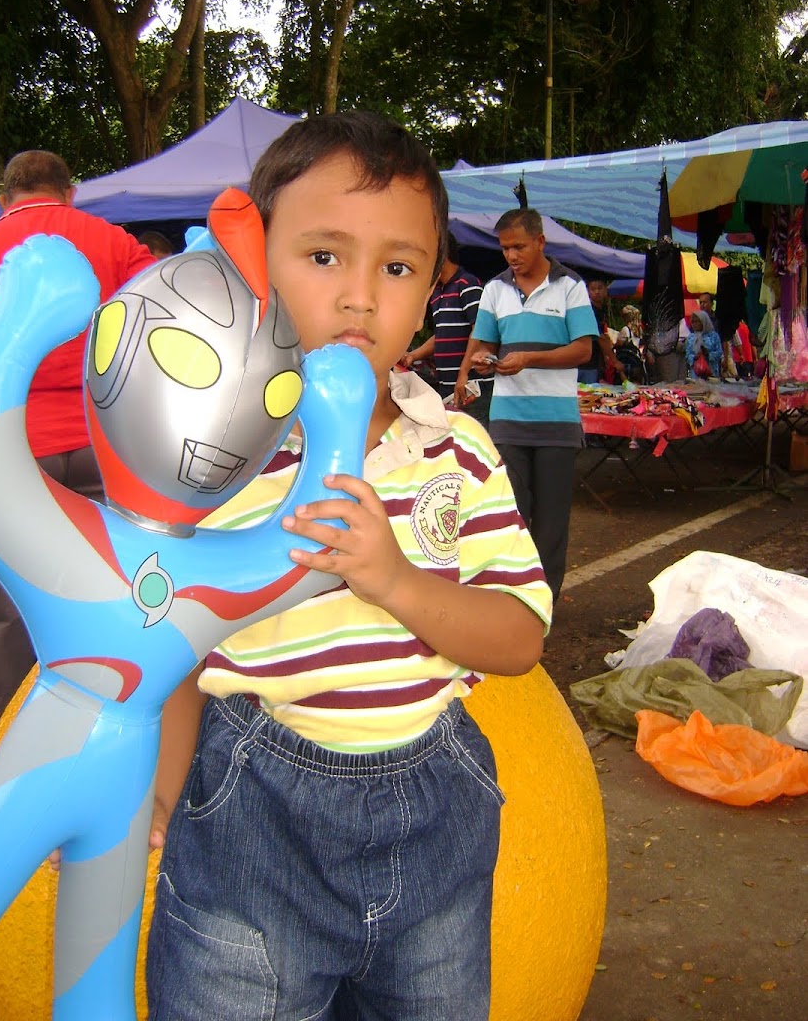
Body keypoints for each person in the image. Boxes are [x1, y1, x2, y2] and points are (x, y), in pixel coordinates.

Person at [146, 113, 551, 1021]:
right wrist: (162, 794)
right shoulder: (215, 453)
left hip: (436, 817)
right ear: (256, 264)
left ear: (431, 289)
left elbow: (519, 638)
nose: (360, 296)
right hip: (248, 819)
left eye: (397, 268)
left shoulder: (459, 452)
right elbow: (175, 641)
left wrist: (397, 581)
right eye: (324, 256)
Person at [0, 150, 155, 783]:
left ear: (4, 196)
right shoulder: (117, 244)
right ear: (70, 193)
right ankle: (108, 733)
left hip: (12, 448)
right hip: (108, 444)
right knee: (114, 584)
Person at [454, 207, 598, 602]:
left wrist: (529, 358)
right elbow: (484, 342)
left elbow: (583, 350)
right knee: (510, 515)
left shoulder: (570, 285)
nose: (511, 255)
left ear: (540, 242)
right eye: (505, 248)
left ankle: (545, 603)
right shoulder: (494, 289)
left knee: (551, 523)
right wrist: (480, 361)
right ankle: (513, 599)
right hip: (508, 420)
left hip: (556, 423)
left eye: (519, 246)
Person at [400, 232, 488, 416]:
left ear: (441, 254)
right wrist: (413, 356)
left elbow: (479, 329)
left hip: (470, 388)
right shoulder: (437, 292)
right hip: (447, 387)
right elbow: (442, 333)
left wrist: (463, 373)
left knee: (471, 432)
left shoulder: (468, 284)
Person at [577, 277, 625, 383]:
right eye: (593, 289)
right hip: (584, 362)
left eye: (599, 288)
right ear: (588, 291)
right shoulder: (589, 310)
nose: (597, 292)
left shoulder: (601, 310)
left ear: (605, 290)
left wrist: (605, 358)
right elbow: (601, 338)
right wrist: (615, 361)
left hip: (592, 360)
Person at [685, 309, 723, 379]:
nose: (694, 324)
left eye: (697, 321)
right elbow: (687, 355)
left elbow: (719, 352)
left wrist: (708, 354)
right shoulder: (691, 337)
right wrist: (695, 357)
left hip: (711, 371)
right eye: (693, 322)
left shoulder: (713, 336)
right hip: (695, 373)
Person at [614, 304, 647, 383]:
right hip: (636, 359)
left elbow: (619, 343)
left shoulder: (626, 329)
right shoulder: (639, 330)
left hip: (626, 360)